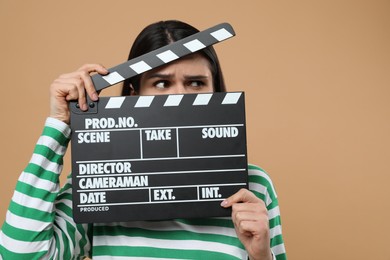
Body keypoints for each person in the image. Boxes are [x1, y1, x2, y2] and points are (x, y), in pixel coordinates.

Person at [0, 20, 287, 260]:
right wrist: (59, 125)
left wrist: (262, 255)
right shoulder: (95, 183)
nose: (180, 96)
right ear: (134, 95)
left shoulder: (253, 187)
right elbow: (19, 255)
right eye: (161, 83)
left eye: (196, 83)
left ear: (216, 93)